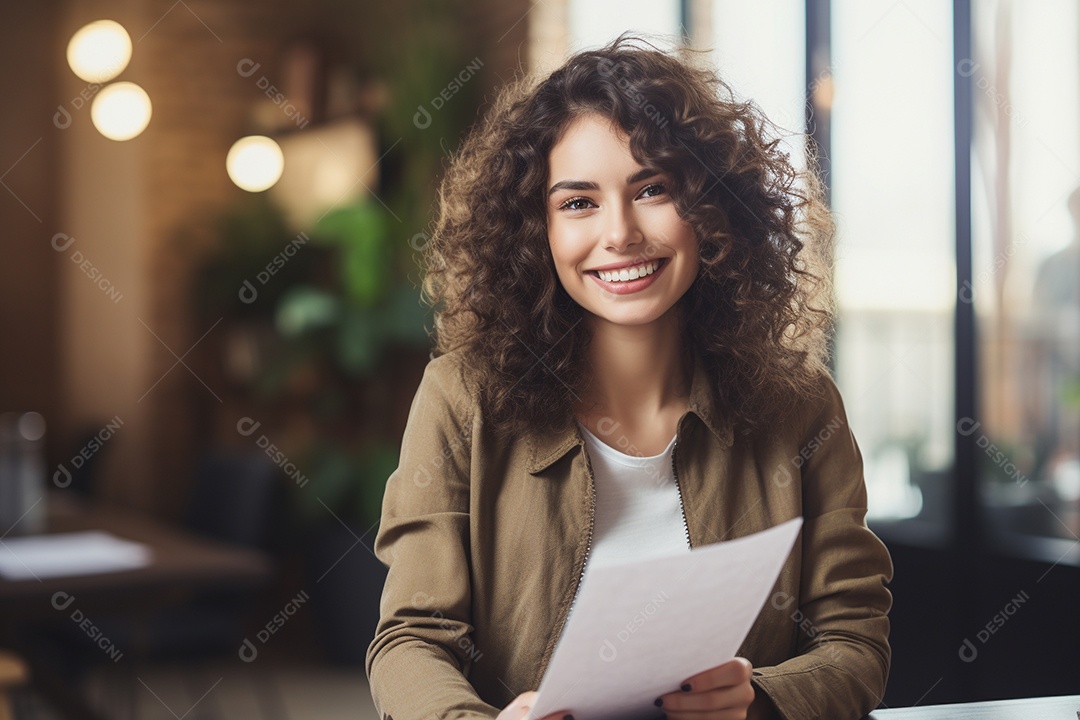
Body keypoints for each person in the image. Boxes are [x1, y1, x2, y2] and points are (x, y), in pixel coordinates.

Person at [366, 33, 893, 720]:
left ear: (711, 207)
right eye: (577, 203)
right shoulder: (461, 398)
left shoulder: (800, 407)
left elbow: (853, 642)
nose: (619, 233)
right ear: (535, 229)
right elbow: (412, 639)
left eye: (652, 190)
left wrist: (761, 700)